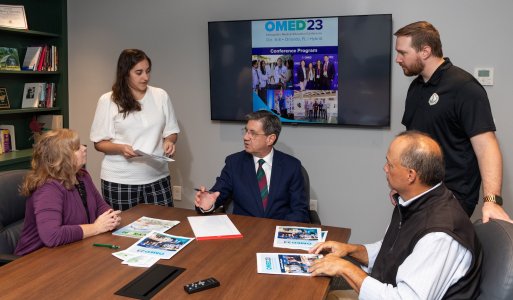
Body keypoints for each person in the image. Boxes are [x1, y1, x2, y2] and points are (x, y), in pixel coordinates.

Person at [309, 131, 482, 300]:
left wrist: (346, 268)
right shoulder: (415, 202)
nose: (385, 168)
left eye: (390, 164)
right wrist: (350, 250)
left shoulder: (439, 235)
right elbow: (391, 251)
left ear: (410, 175)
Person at [394, 21, 511, 222]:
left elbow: (486, 147)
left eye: (403, 53)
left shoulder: (464, 87)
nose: (398, 59)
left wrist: (492, 201)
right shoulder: (416, 88)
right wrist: (401, 184)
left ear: (425, 51)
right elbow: (412, 144)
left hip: (452, 198)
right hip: (418, 193)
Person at [90, 49, 180, 211]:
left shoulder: (161, 96)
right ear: (125, 74)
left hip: (157, 176)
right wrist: (121, 148)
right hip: (120, 179)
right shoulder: (108, 100)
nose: (145, 77)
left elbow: (171, 131)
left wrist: (169, 141)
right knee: (122, 233)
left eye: (147, 71)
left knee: (165, 228)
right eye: (138, 72)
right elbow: (99, 143)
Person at [15, 129, 121, 256]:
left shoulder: (82, 176)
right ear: (61, 157)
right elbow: (52, 236)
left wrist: (110, 218)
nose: (84, 148)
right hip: (35, 260)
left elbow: (100, 206)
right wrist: (97, 228)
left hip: (71, 250)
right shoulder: (47, 188)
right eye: (77, 148)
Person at [195, 110, 310, 222]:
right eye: (246, 131)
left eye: (253, 133)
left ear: (270, 139)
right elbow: (217, 194)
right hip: (245, 232)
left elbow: (299, 211)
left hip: (278, 233)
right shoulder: (234, 163)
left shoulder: (291, 166)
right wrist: (207, 205)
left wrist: (281, 231)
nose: (245, 137)